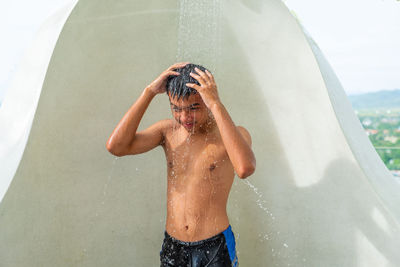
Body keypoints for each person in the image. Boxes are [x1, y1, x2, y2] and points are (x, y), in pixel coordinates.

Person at [106, 62, 256, 266]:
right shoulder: (168, 132)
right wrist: (149, 92)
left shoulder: (231, 135)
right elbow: (116, 146)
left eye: (193, 108)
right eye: (176, 109)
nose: (184, 117)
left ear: (207, 98)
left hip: (215, 247)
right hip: (173, 247)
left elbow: (245, 168)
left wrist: (216, 105)